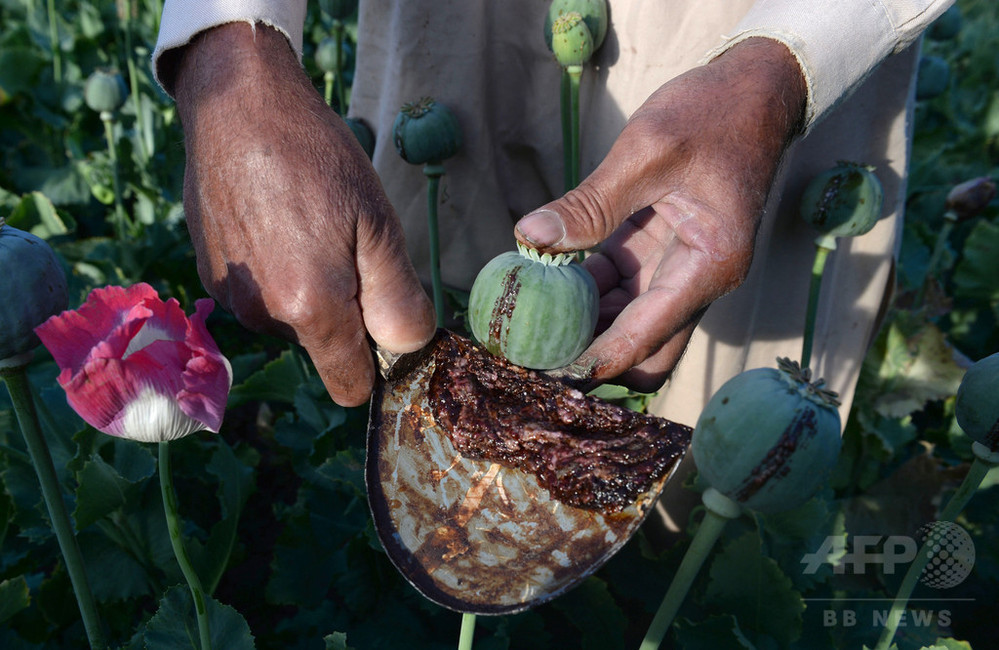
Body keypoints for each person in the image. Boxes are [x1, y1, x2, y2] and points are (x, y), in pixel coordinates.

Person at [152, 0, 952, 432]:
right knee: (417, 288)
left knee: (712, 395)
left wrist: (788, 62)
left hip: (758, 21)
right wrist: (229, 38)